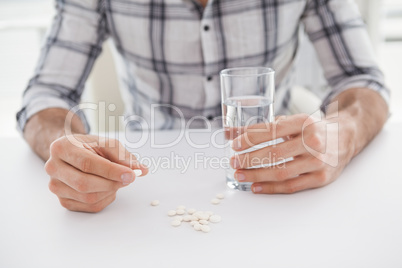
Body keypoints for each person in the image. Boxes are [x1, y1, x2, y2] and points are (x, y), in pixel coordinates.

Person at [17, 0, 389, 213]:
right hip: (147, 184)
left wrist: (343, 134)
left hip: (277, 180)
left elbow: (363, 79)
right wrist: (69, 151)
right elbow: (46, 95)